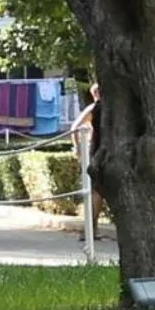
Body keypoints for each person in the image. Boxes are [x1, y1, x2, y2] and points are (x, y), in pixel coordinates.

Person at [69, 82, 107, 241]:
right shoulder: (108, 109)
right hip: (106, 149)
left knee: (96, 191)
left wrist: (77, 147)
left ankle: (91, 228)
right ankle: (91, 229)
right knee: (97, 191)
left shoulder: (94, 109)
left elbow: (74, 128)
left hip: (97, 150)